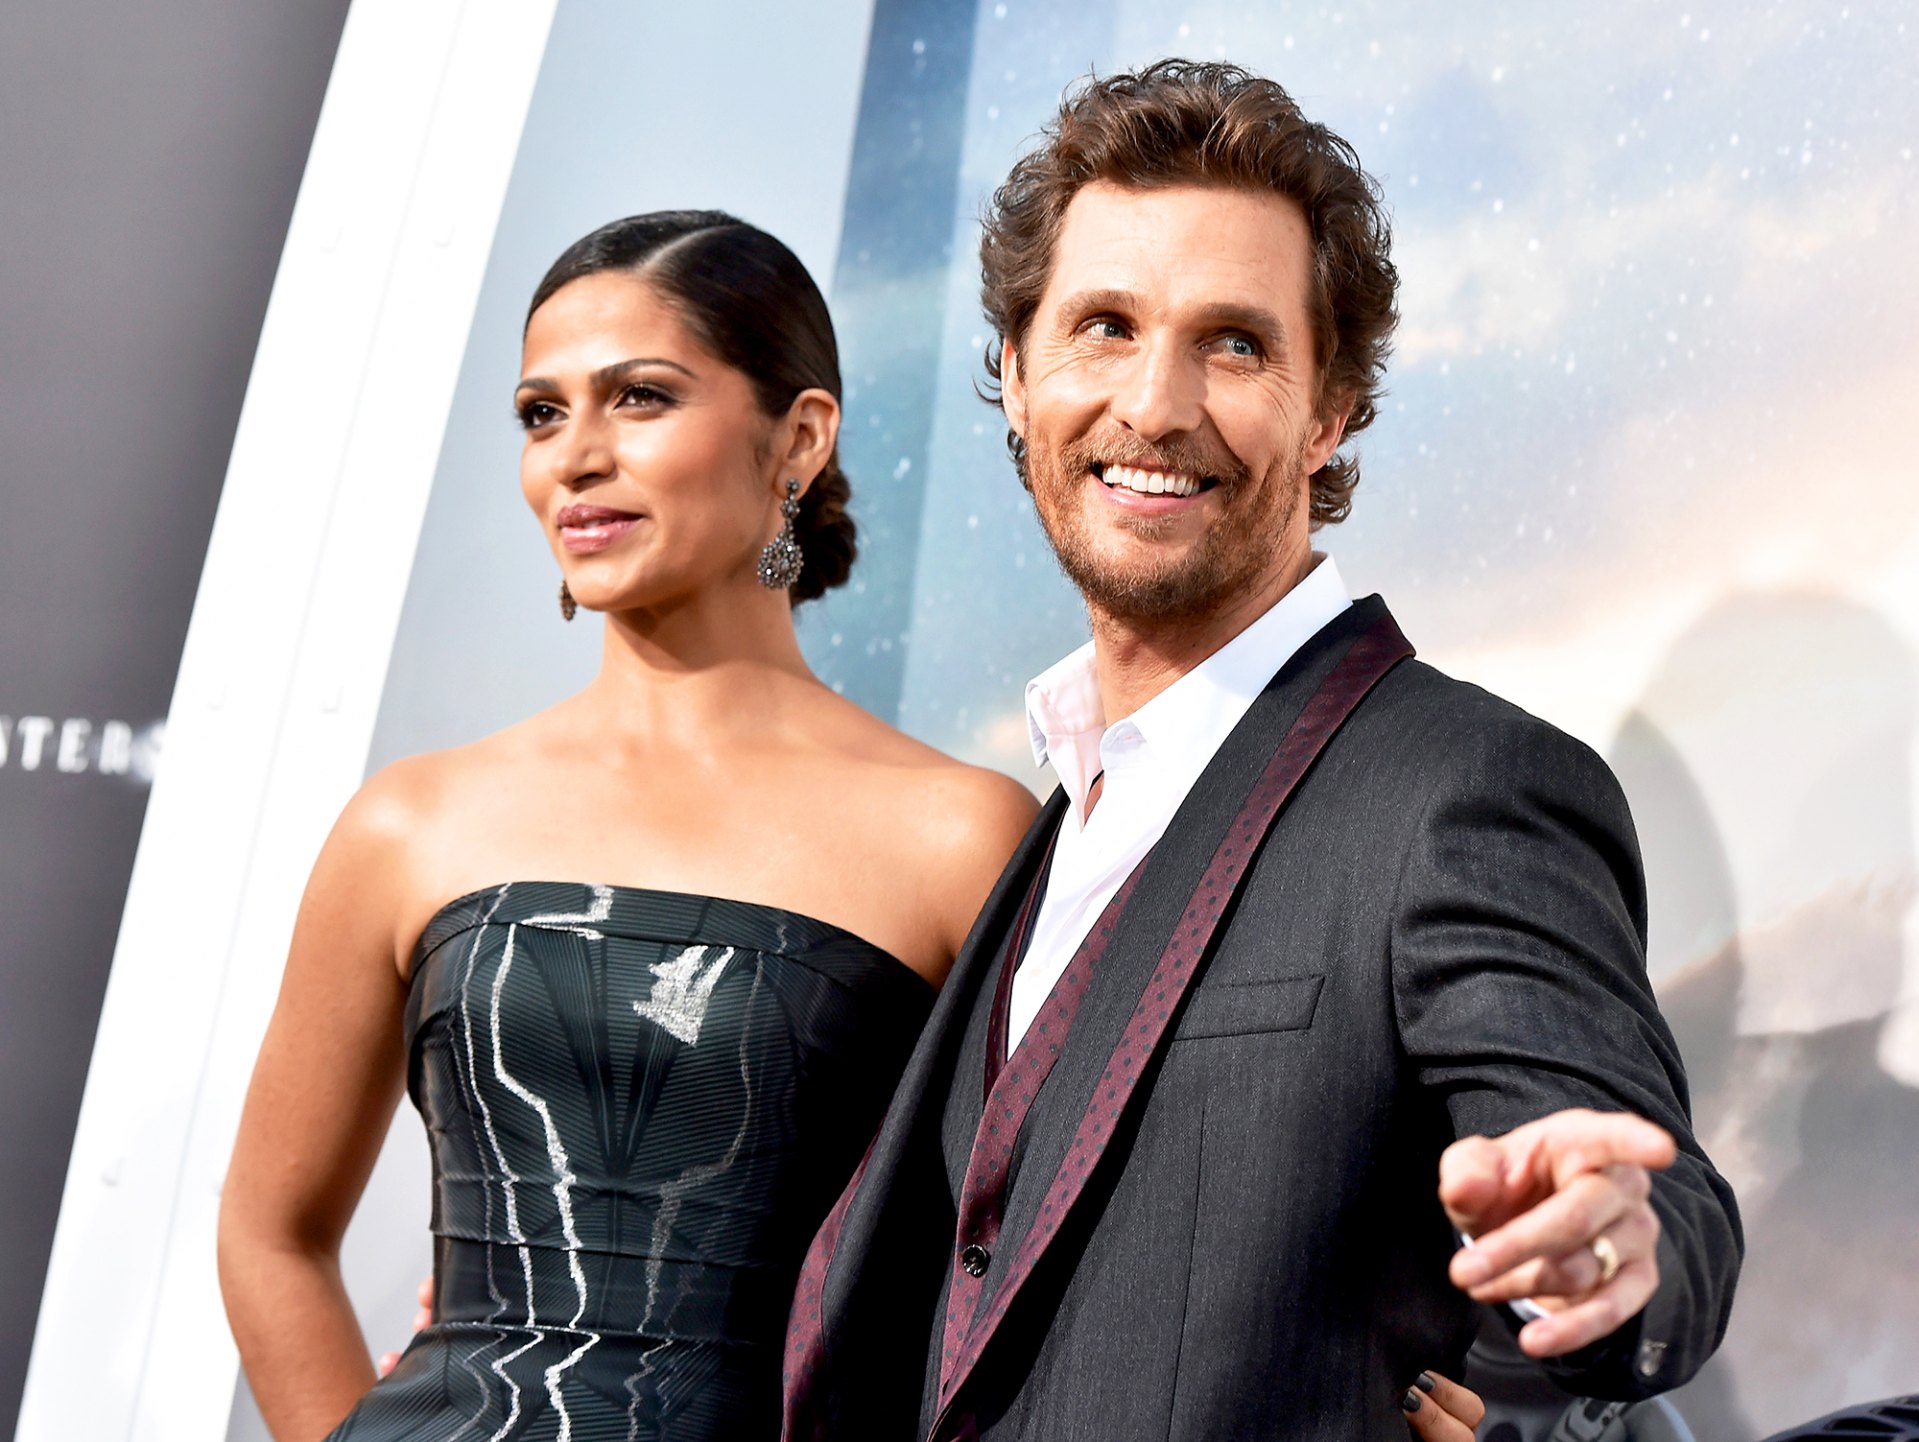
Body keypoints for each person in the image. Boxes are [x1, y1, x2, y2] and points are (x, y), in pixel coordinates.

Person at [216, 210, 1483, 1442]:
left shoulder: (960, 836)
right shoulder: (408, 824)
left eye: (640, 397)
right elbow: (270, 1232)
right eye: (541, 413)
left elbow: (1108, 1236)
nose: (576, 455)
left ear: (800, 437)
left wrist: (1358, 1379)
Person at [780, 60, 1744, 1442]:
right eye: (1102, 325)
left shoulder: (1460, 788)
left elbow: (1646, 1203)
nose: (1153, 402)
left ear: (1328, 408)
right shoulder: (1054, 821)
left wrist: (1608, 1244)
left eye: (1231, 343)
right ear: (1017, 373)